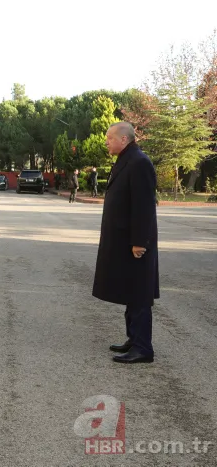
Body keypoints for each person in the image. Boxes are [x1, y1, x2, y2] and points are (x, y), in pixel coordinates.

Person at [93, 122, 159, 364]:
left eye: (110, 138)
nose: (106, 141)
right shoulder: (127, 159)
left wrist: (140, 241)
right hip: (124, 241)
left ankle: (143, 348)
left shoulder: (139, 162)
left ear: (124, 139)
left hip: (136, 244)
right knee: (132, 292)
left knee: (140, 294)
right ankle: (134, 339)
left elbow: (144, 206)